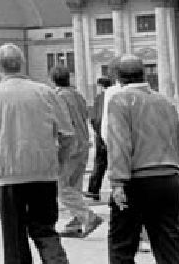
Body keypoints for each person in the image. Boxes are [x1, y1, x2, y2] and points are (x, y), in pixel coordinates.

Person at [0, 43, 73, 264]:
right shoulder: (45, 92)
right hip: (43, 172)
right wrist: (59, 162)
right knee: (45, 228)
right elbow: (67, 134)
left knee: (14, 236)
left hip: (8, 174)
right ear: (23, 63)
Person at [105, 54, 179, 263]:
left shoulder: (119, 100)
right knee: (170, 243)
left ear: (118, 78)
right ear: (144, 73)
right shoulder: (165, 101)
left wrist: (117, 182)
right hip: (169, 177)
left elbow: (119, 142)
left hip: (136, 179)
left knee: (122, 244)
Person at [50, 65, 102, 238]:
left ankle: (87, 217)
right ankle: (76, 221)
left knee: (62, 187)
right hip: (84, 143)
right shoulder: (78, 95)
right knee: (75, 185)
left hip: (70, 146)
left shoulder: (58, 97)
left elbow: (61, 123)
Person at [85, 76, 113, 201]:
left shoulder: (100, 98)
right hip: (115, 135)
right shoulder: (115, 95)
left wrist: (98, 132)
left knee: (99, 164)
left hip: (101, 136)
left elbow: (95, 117)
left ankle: (94, 190)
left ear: (100, 86)